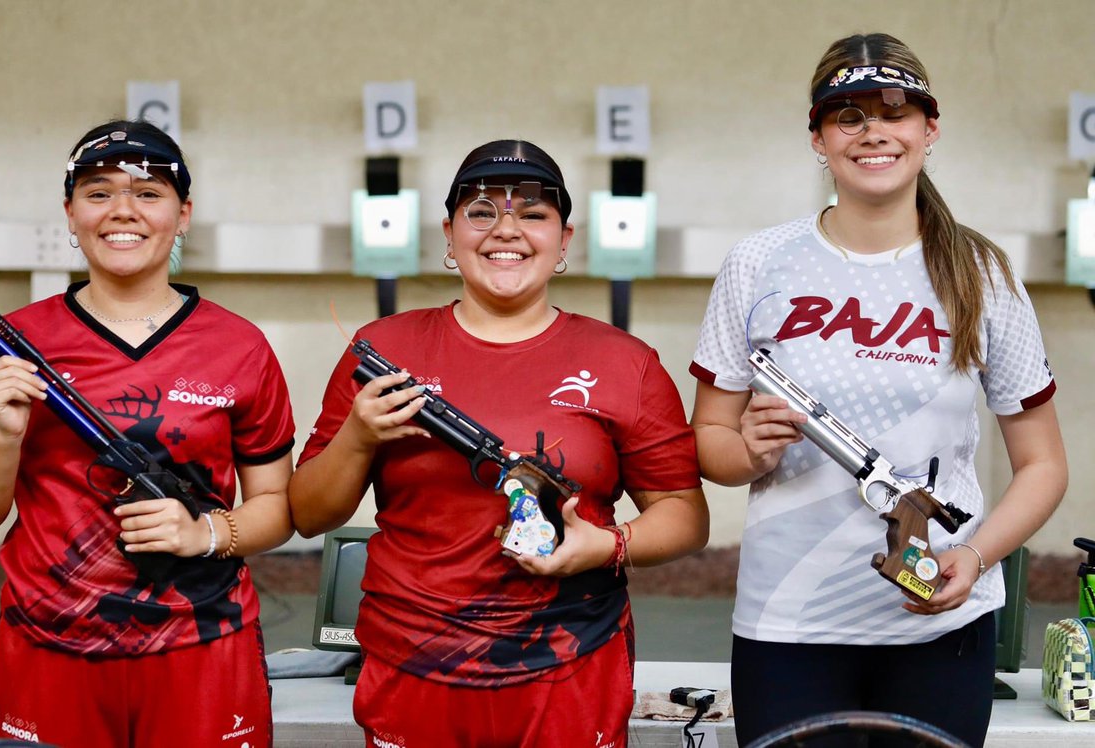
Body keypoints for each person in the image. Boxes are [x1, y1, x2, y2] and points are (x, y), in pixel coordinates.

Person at [689, 33, 1068, 746]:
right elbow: (709, 440)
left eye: (895, 113)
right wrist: (748, 452)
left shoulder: (983, 273)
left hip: (941, 625)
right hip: (790, 623)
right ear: (818, 138)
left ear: (930, 129)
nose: (873, 133)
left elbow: (1044, 465)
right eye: (849, 117)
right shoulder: (758, 262)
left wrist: (975, 557)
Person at [290, 139, 709, 747]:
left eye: (533, 214)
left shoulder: (625, 362)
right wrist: (357, 436)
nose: (505, 229)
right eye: (481, 212)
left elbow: (683, 515)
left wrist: (609, 545)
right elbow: (308, 515)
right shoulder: (386, 349)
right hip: (414, 659)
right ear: (449, 234)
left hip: (569, 659)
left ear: (564, 240)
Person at [0, 120, 296, 747]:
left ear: (183, 216)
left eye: (149, 193)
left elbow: (278, 507)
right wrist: (6, 438)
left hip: (201, 646)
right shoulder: (16, 345)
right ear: (70, 214)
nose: (122, 211)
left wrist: (206, 533)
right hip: (51, 646)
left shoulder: (240, 346)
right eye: (99, 192)